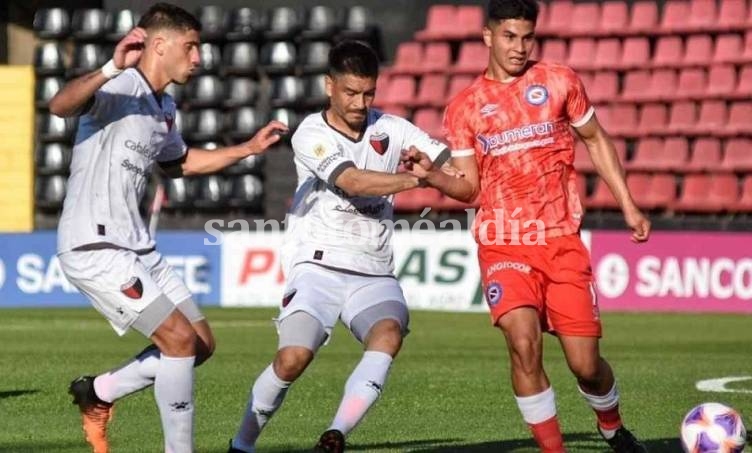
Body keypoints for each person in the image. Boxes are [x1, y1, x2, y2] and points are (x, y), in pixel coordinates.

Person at [402, 1, 651, 452]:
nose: (519, 47)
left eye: (527, 37)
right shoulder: (465, 108)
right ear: (488, 37)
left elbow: (595, 138)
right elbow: (470, 190)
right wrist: (432, 175)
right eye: (510, 37)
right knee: (523, 342)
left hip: (560, 239)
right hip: (503, 243)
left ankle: (611, 425)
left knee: (586, 365)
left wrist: (628, 205)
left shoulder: (559, 81)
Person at [49, 3, 287, 452]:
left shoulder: (165, 107)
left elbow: (178, 164)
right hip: (94, 244)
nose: (198, 58)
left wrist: (247, 148)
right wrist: (107, 66)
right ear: (159, 44)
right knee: (178, 341)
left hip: (138, 246)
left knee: (199, 344)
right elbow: (60, 105)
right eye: (191, 47)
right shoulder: (118, 83)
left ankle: (98, 393)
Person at [227, 40, 452, 453]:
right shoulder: (311, 133)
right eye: (350, 92)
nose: (359, 102)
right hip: (318, 265)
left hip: (374, 269)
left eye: (368, 93)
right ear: (329, 85)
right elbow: (352, 181)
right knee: (293, 358)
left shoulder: (393, 129)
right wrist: (422, 179)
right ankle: (242, 445)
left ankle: (335, 435)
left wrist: (448, 166)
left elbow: (449, 163)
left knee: (387, 334)